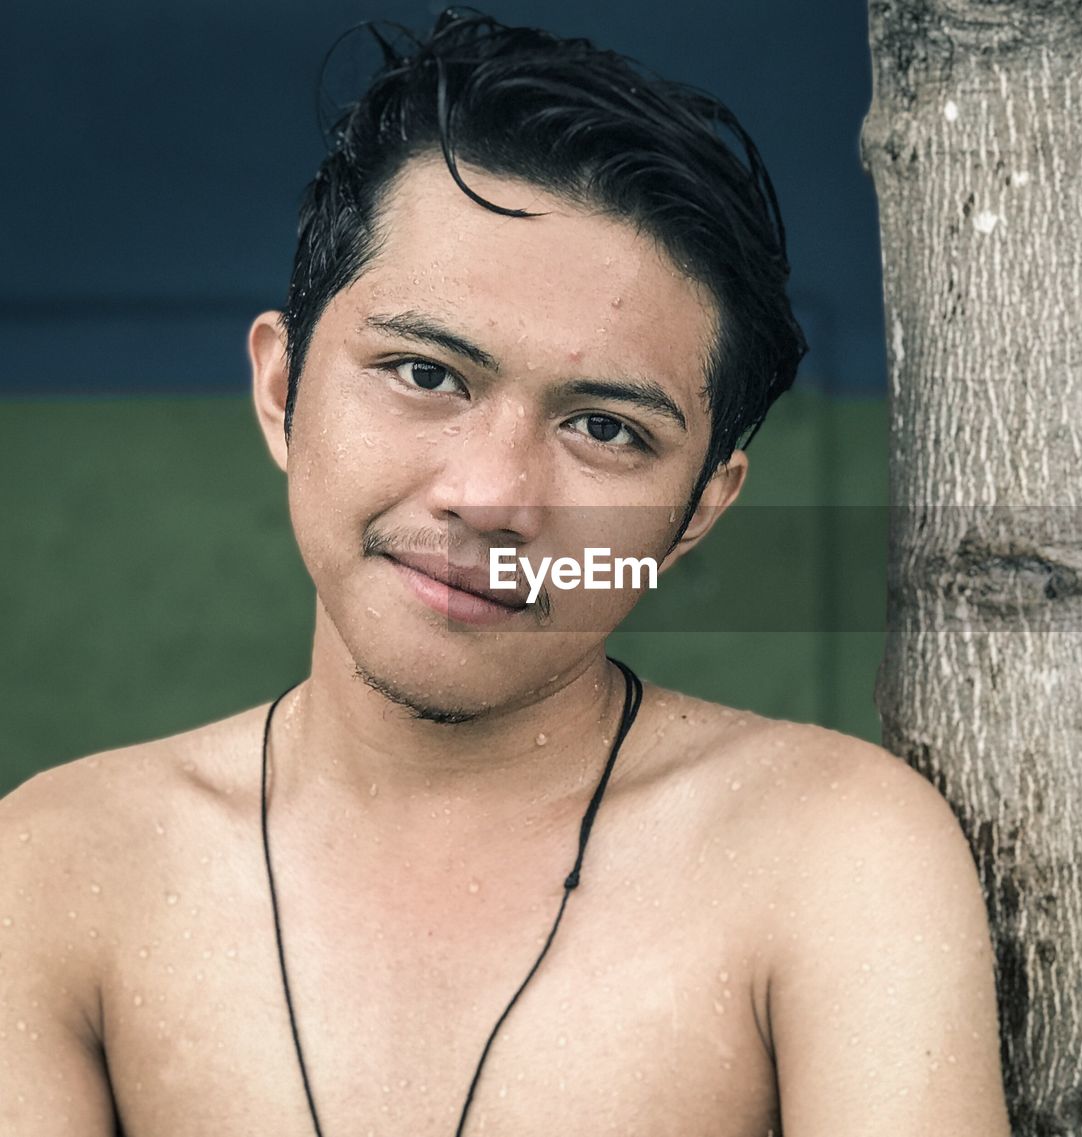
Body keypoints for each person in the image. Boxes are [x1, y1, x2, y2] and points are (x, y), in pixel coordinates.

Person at [0, 10, 1009, 1135]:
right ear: (283, 390)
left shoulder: (827, 856)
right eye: (424, 373)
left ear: (695, 513)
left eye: (606, 431)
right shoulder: (61, 868)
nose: (489, 495)